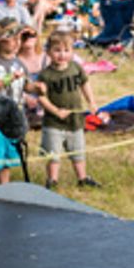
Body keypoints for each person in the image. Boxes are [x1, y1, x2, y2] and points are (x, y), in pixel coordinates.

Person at [37, 31, 102, 189]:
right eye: (57, 50)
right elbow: (42, 98)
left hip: (75, 121)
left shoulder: (75, 68)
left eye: (66, 50)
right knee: (54, 154)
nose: (62, 54)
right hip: (53, 122)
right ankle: (52, 180)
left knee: (78, 151)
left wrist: (92, 102)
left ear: (73, 52)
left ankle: (82, 178)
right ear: (48, 52)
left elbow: (85, 84)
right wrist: (55, 111)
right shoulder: (45, 75)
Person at [0, 18, 40, 188]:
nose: (16, 42)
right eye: (11, 38)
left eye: (18, 38)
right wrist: (8, 79)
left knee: (7, 162)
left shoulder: (20, 63)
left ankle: (3, 191)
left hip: (13, 120)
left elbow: (26, 87)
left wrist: (37, 88)